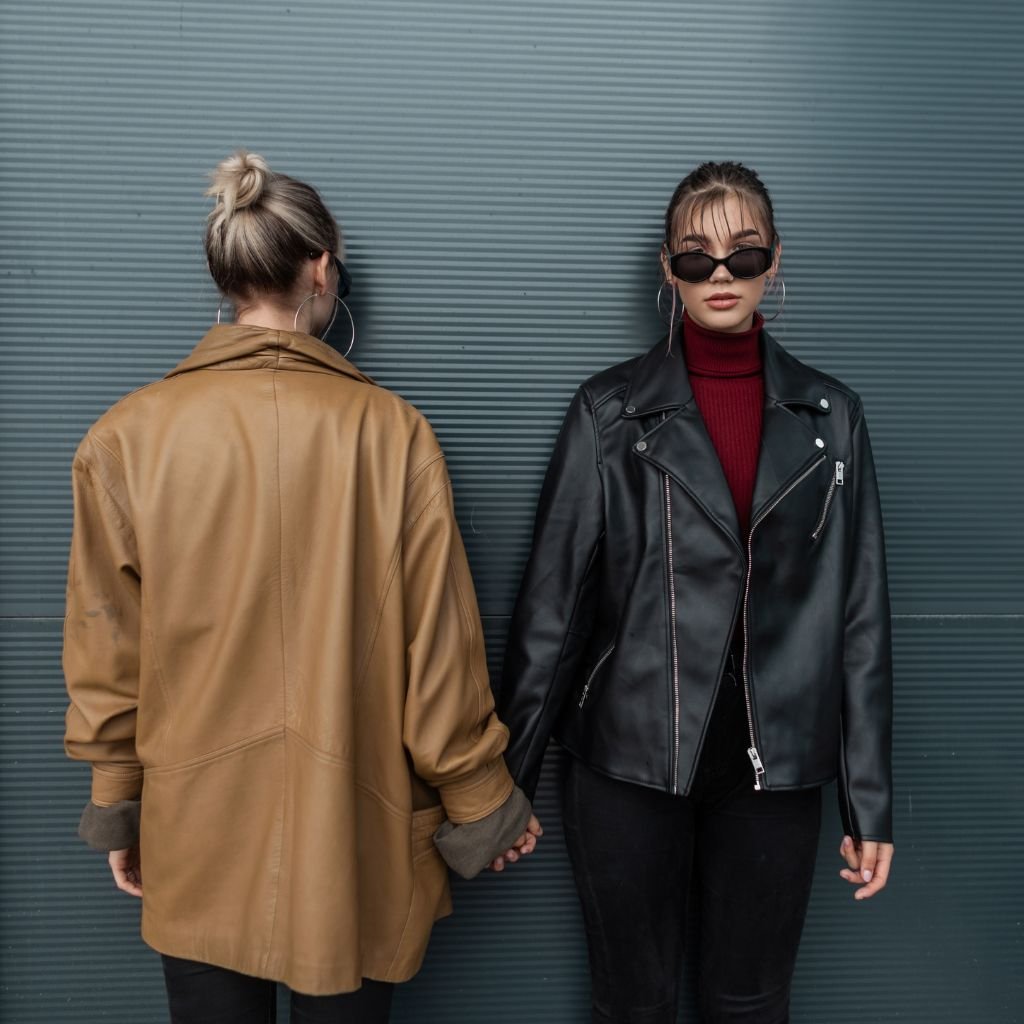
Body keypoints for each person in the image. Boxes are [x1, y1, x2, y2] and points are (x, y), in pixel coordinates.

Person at [63, 150, 541, 1024]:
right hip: (348, 845)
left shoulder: (124, 439)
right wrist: (482, 799)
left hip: (195, 831)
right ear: (323, 267)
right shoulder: (393, 436)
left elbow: (107, 650)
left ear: (229, 271)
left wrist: (116, 803)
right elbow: (437, 654)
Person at [498, 161, 894, 1023]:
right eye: (696, 257)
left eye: (743, 255)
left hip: (776, 768)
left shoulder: (835, 418)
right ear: (667, 271)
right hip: (626, 758)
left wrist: (869, 800)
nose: (721, 275)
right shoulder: (609, 411)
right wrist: (503, 785)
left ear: (775, 262)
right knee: (632, 1002)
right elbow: (552, 611)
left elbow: (858, 620)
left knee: (749, 1004)